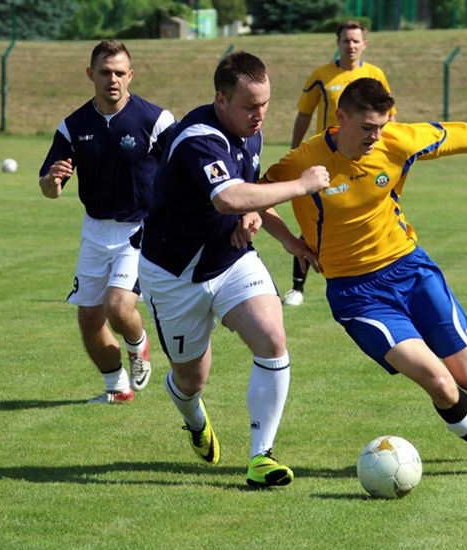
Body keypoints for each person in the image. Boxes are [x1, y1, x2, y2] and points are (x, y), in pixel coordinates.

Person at [261, 77, 467, 480]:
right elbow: (257, 197)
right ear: (340, 117)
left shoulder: (398, 141)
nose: (375, 138)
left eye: (381, 126)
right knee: (438, 380)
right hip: (356, 294)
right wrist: (291, 241)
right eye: (366, 128)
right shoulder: (303, 161)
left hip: (411, 271)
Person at [138, 52, 329, 488]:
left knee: (272, 338)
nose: (259, 115)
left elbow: (250, 193)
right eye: (249, 106)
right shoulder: (198, 137)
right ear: (220, 99)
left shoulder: (249, 132)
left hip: (230, 260)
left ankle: (261, 457)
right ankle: (191, 414)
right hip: (174, 276)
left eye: (264, 104)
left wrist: (285, 238)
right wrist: (301, 185)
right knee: (191, 377)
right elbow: (227, 198)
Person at [39, 40, 175, 404]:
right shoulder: (73, 126)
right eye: (104, 72)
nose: (112, 79)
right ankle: (116, 387)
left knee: (118, 307)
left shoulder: (156, 121)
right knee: (88, 319)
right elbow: (49, 188)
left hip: (141, 230)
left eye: (119, 73)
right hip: (95, 231)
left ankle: (138, 343)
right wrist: (52, 182)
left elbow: (182, 170)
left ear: (130, 76)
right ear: (91, 75)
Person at [285, 20, 396, 307]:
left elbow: (389, 117)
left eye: (356, 41)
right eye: (346, 40)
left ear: (365, 44)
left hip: (365, 161)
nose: (351, 46)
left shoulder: (375, 75)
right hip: (326, 161)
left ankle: (372, 278)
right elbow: (304, 114)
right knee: (313, 221)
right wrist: (296, 149)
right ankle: (297, 287)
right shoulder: (321, 75)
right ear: (338, 43)